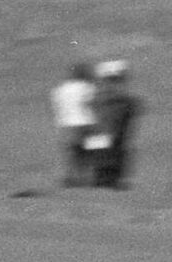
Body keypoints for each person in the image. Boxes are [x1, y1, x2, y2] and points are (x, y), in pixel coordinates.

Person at [89, 60, 142, 188]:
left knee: (108, 152)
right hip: (111, 128)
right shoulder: (120, 99)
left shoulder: (102, 97)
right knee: (112, 152)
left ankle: (104, 179)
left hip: (107, 128)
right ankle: (109, 179)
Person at [51, 62, 99, 186]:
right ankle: (86, 178)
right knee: (87, 153)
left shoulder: (60, 89)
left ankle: (68, 178)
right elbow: (94, 104)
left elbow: (57, 106)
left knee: (69, 152)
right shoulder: (88, 87)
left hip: (64, 124)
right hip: (85, 123)